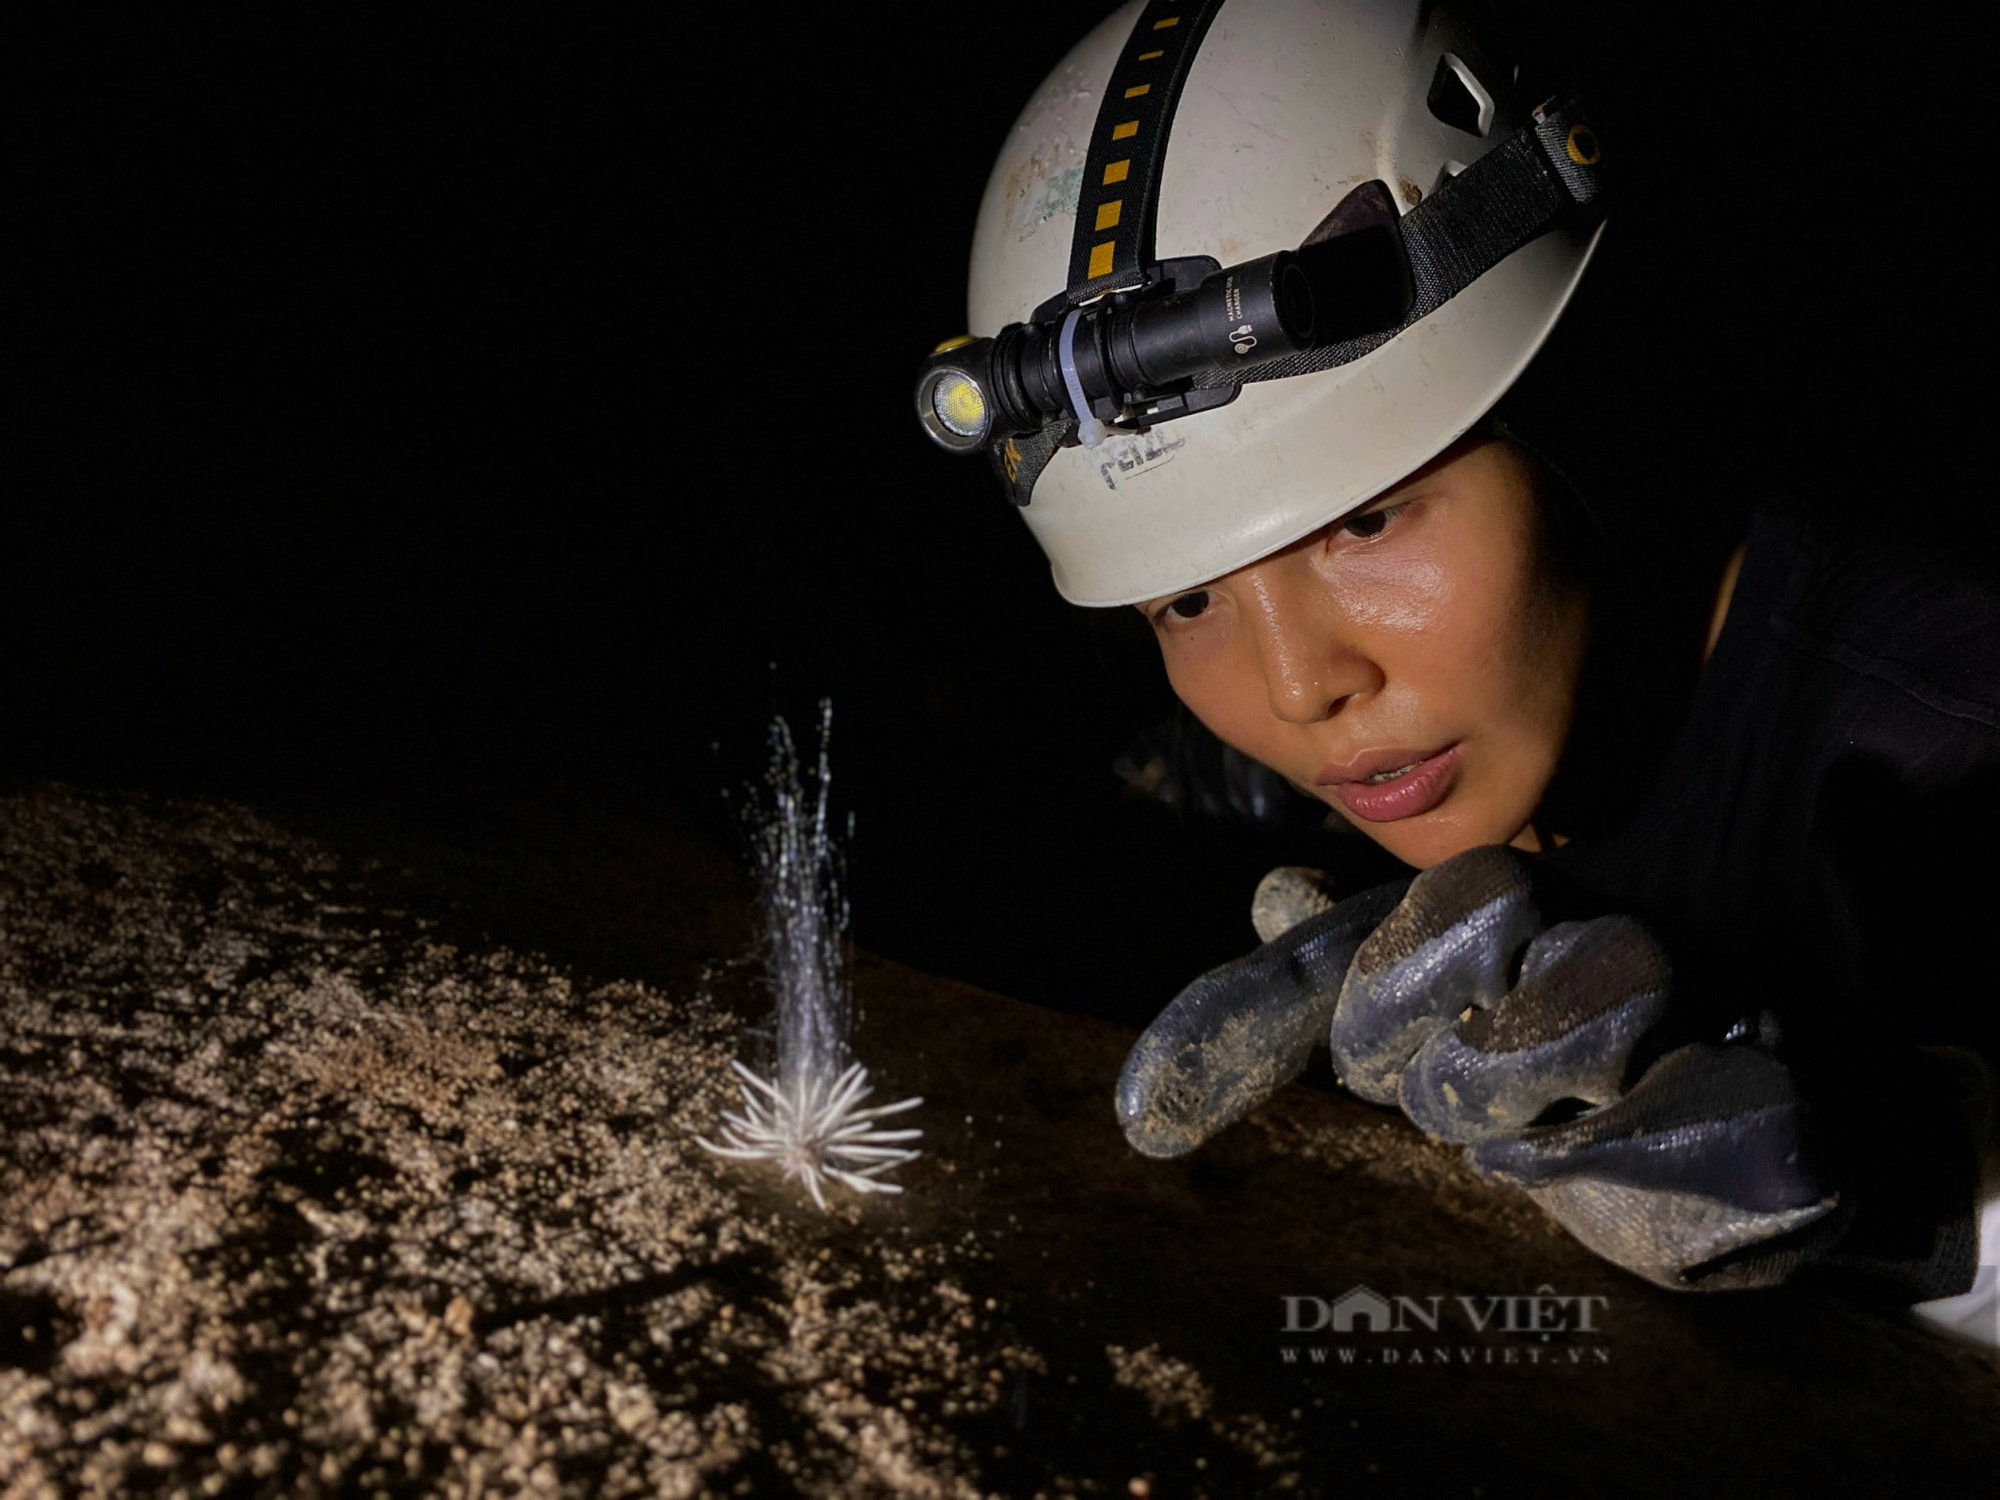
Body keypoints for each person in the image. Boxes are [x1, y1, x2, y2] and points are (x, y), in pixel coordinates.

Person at [913, 0, 1999, 1342]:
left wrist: (1927, 1182)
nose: (1299, 686)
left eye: (1366, 518)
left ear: (1569, 408)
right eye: (1185, 597)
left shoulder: (1941, 739)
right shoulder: (1256, 775)